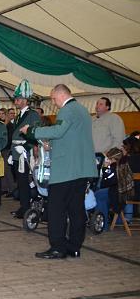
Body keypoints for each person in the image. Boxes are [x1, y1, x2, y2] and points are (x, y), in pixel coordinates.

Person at [21, 84, 97, 259]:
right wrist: (52, 145)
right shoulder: (83, 111)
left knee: (56, 209)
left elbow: (58, 130)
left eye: (54, 99)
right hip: (82, 169)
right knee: (76, 209)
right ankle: (74, 247)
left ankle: (58, 247)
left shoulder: (67, 110)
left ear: (61, 95)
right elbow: (71, 137)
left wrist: (32, 131)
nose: (54, 103)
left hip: (66, 170)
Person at [9, 80, 41, 219]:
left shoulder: (33, 114)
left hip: (25, 153)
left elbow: (36, 134)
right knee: (20, 182)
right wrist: (12, 152)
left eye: (18, 99)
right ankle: (24, 206)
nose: (15, 101)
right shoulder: (18, 115)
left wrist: (26, 147)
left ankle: (26, 208)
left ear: (25, 100)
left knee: (24, 181)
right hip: (17, 152)